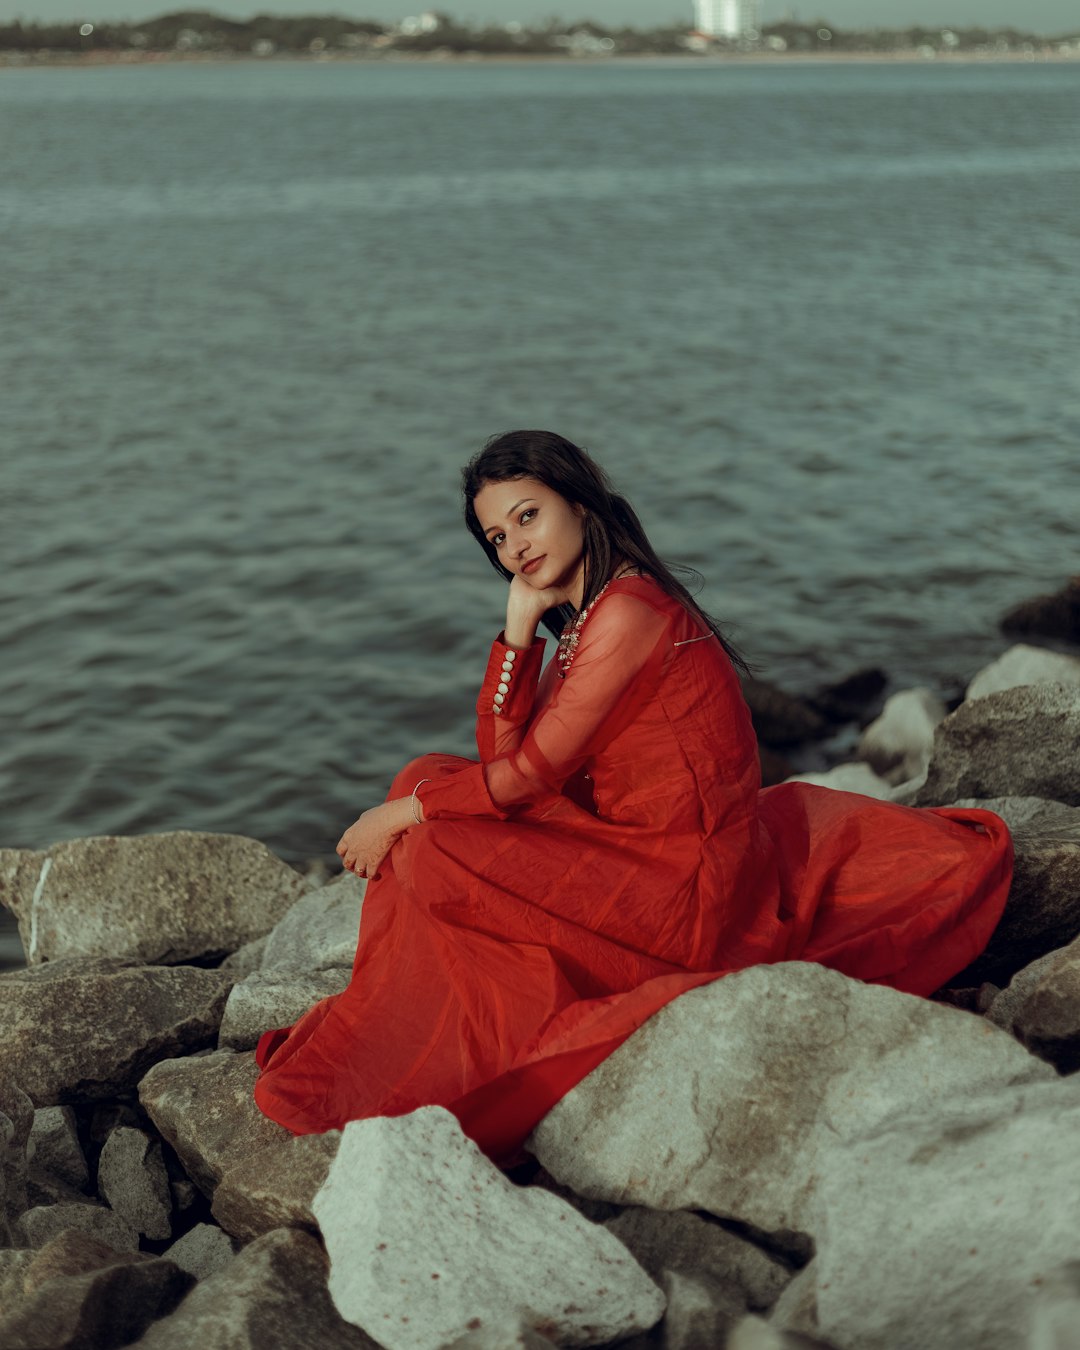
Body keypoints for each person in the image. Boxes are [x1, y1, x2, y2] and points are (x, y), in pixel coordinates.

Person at [254, 430, 1013, 1165]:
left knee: (430, 835)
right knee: (423, 772)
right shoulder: (587, 619)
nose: (515, 546)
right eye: (495, 538)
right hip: (632, 845)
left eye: (528, 516)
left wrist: (404, 817)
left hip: (682, 889)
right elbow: (503, 757)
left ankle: (470, 1027)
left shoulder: (628, 614)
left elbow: (522, 781)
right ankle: (442, 1007)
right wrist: (518, 631)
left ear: (580, 505)